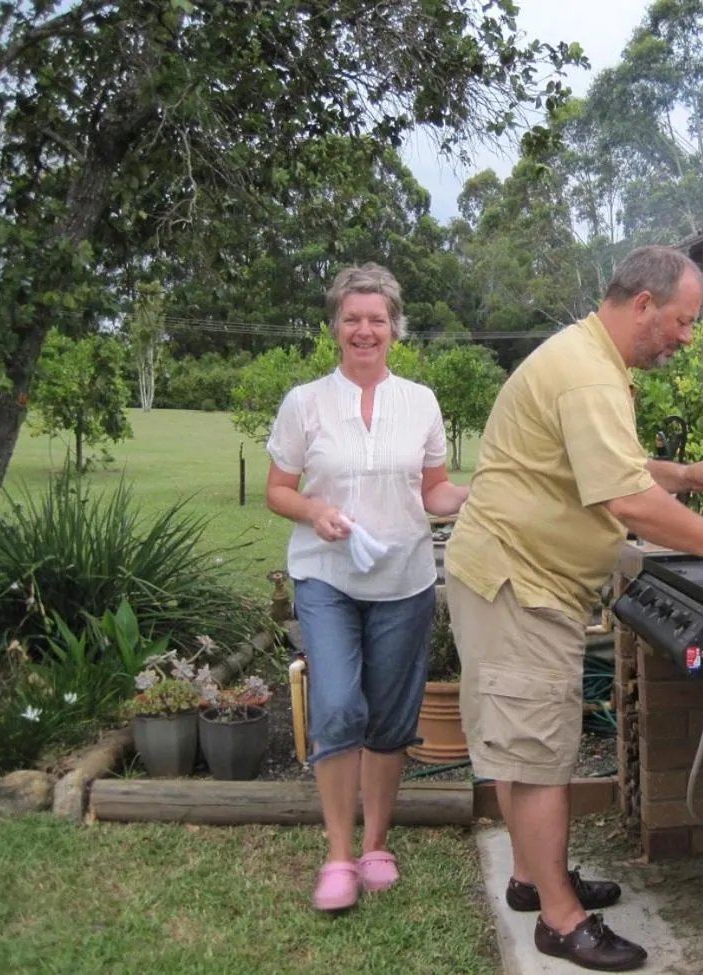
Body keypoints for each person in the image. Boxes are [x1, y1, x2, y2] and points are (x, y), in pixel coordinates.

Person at [444, 245, 703, 970]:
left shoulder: (591, 362)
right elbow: (627, 499)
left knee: (522, 743)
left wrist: (687, 475)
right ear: (642, 304)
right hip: (519, 583)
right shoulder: (585, 374)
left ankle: (530, 878)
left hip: (514, 577)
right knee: (540, 757)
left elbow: (610, 465)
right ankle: (560, 920)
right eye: (681, 321)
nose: (685, 338)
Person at [265, 263, 468, 914]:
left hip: (405, 577)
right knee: (337, 709)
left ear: (394, 327)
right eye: (352, 318)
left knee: (389, 716)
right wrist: (314, 513)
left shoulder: (421, 402)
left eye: (376, 319)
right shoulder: (305, 402)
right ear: (335, 326)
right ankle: (337, 853)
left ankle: (376, 844)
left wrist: (472, 493)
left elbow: (432, 490)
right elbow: (278, 489)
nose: (364, 330)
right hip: (326, 575)